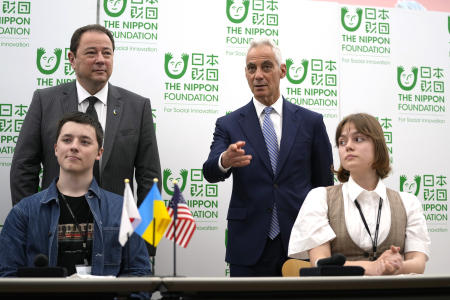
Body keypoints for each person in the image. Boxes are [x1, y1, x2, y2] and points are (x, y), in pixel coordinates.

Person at [202, 39, 334, 276]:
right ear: (246, 73)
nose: (258, 75)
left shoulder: (311, 122)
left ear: (282, 71)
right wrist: (225, 160)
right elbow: (210, 170)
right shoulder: (229, 124)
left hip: (300, 242)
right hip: (248, 246)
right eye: (251, 69)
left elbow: (324, 188)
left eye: (266, 66)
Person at [10, 24, 161, 206]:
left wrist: (144, 232)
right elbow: (23, 168)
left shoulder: (137, 107)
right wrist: (30, 220)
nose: (100, 60)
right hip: (56, 223)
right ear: (72, 59)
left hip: (116, 227)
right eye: (91, 53)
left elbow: (150, 177)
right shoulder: (44, 101)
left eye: (107, 53)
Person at [0, 112, 151, 277]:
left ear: (99, 153)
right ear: (56, 148)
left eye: (85, 142)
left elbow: (139, 274)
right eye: (67, 140)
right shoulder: (24, 212)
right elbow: (7, 276)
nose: (74, 146)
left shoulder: (123, 210)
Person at [288, 113, 430, 275]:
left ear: (378, 147)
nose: (347, 146)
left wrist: (394, 265)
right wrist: (374, 267)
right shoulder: (320, 198)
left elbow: (418, 264)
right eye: (342, 142)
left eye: (358, 139)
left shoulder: (408, 202)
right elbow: (320, 263)